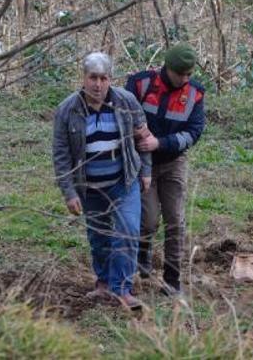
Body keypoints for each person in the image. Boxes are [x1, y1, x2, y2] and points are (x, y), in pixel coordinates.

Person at [52, 52, 151, 310]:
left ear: (110, 79)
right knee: (99, 236)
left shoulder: (126, 101)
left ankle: (122, 290)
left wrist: (146, 172)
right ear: (83, 78)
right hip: (90, 186)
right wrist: (69, 192)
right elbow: (61, 154)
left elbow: (143, 138)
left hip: (123, 181)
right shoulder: (67, 110)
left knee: (128, 230)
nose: (97, 84)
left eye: (103, 78)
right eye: (92, 78)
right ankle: (104, 283)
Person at [126, 42, 206, 296]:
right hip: (141, 163)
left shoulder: (195, 94)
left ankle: (172, 279)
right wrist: (139, 140)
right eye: (180, 73)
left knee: (176, 221)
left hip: (174, 162)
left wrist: (160, 143)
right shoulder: (140, 84)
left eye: (189, 74)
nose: (184, 79)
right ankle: (142, 255)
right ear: (167, 68)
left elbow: (194, 133)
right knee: (148, 221)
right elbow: (124, 116)